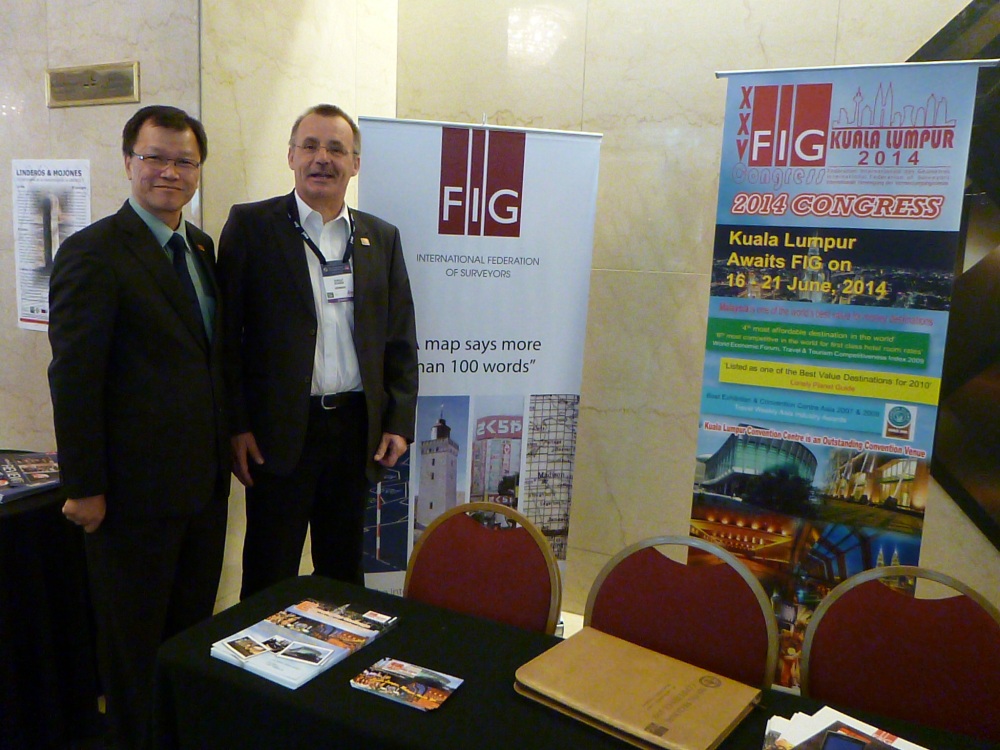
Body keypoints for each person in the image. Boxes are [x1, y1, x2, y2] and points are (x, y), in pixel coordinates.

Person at [48, 105, 229, 750]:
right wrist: (84, 486)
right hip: (129, 498)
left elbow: (209, 362)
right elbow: (74, 379)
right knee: (132, 648)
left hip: (202, 489)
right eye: (155, 158)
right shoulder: (93, 252)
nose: (169, 172)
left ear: (198, 170)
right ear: (129, 161)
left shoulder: (200, 248)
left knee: (189, 635)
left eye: (184, 161)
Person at [217, 104, 418, 598]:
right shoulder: (252, 226)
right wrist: (236, 425)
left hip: (354, 430)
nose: (321, 158)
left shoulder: (380, 238)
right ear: (290, 156)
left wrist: (398, 421)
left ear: (355, 163)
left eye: (336, 149)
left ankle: (342, 644)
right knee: (270, 571)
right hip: (279, 432)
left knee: (343, 571)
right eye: (309, 146)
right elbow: (226, 340)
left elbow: (399, 338)